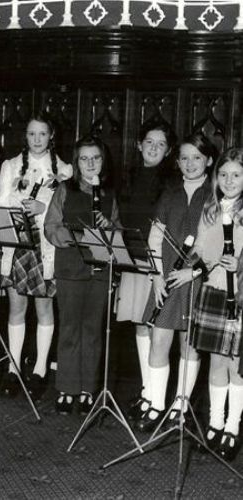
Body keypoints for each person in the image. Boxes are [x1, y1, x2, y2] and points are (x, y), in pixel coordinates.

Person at [136, 133, 216, 431]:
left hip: (196, 279)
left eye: (197, 157)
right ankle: (155, 405)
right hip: (167, 276)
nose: (190, 163)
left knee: (190, 345)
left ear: (208, 160)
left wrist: (193, 272)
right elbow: (155, 237)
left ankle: (180, 406)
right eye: (184, 158)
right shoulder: (169, 192)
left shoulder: (214, 195)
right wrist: (156, 276)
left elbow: (216, 245)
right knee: (158, 339)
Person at [0, 113, 72, 400]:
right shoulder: (11, 165)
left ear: (51, 135)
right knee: (16, 307)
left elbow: (65, 212)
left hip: (45, 245)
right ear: (25, 136)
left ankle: (40, 368)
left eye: (42, 134)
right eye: (32, 134)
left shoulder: (65, 170)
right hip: (17, 242)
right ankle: (13, 368)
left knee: (43, 308)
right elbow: (0, 202)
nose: (37, 139)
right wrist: (19, 203)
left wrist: (43, 211)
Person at [45, 136, 120, 414]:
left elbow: (119, 234)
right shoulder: (65, 189)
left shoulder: (109, 193)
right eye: (84, 159)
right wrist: (78, 235)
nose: (90, 163)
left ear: (103, 161)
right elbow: (50, 227)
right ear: (76, 163)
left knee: (92, 331)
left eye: (96, 158)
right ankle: (67, 388)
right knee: (69, 330)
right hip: (70, 269)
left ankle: (88, 388)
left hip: (99, 272)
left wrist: (108, 226)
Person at [115, 118, 177, 420]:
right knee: (141, 324)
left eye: (161, 144)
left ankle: (156, 396)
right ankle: (145, 389)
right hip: (131, 258)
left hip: (157, 262)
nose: (153, 148)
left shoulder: (172, 182)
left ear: (168, 152)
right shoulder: (127, 175)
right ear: (139, 145)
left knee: (157, 329)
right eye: (149, 142)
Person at [192, 147, 243, 461]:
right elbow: (200, 249)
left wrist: (238, 263)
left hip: (239, 294)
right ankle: (214, 423)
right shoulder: (210, 208)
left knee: (238, 365)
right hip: (213, 291)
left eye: (236, 175)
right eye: (223, 174)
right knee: (217, 362)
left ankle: (233, 428)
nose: (229, 180)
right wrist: (197, 266)